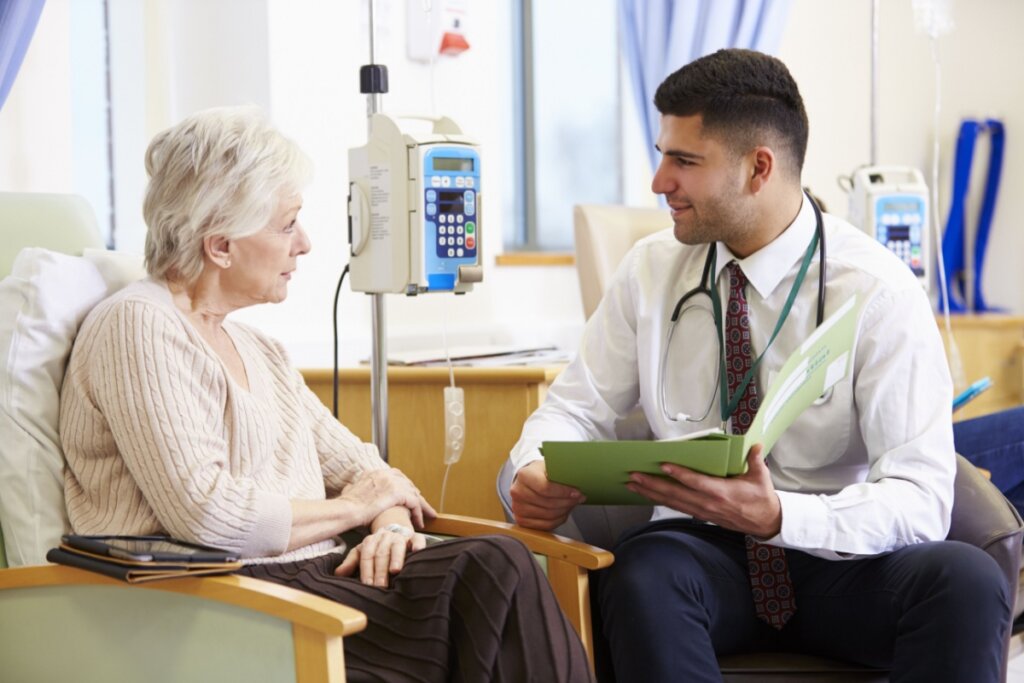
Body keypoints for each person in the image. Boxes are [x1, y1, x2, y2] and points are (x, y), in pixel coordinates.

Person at [508, 49, 1011, 682]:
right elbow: (575, 408)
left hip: (839, 555)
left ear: (758, 168)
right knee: (641, 576)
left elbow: (919, 498)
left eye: (683, 161)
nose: (660, 182)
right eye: (663, 154)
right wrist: (529, 469)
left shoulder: (878, 290)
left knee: (963, 580)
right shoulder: (651, 271)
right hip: (702, 555)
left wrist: (780, 518)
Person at [59, 106, 592, 683]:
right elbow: (211, 517)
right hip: (220, 597)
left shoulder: (259, 348)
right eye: (287, 225)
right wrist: (357, 508)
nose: (306, 244)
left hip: (313, 574)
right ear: (220, 245)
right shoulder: (136, 327)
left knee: (498, 562)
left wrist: (387, 522)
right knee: (492, 585)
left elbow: (367, 469)